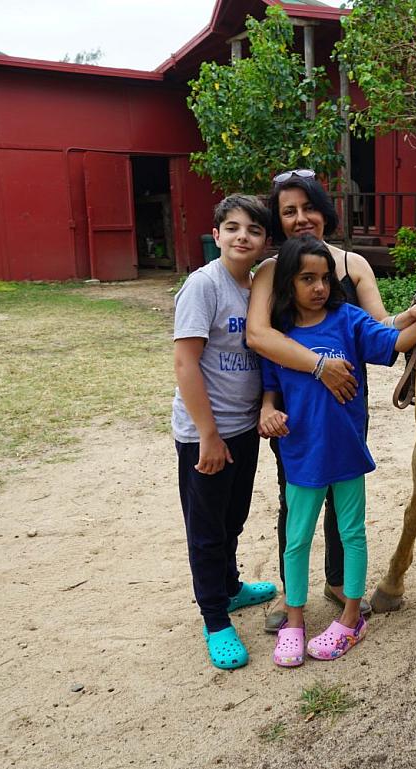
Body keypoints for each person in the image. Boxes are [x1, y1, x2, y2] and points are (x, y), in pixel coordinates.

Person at [257, 235, 416, 666]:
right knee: (296, 542)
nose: (318, 287)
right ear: (287, 285)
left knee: (352, 534)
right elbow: (270, 393)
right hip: (301, 455)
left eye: (324, 279)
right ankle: (294, 621)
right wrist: (268, 413)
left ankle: (351, 619)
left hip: (347, 453)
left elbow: (395, 342)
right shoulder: (278, 336)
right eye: (306, 279)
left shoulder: (348, 320)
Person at [246, 169, 416, 634]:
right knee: (297, 497)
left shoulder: (353, 265)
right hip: (298, 402)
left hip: (347, 398)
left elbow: (380, 326)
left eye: (308, 206)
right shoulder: (272, 271)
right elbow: (260, 335)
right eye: (288, 211)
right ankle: (296, 599)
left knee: (345, 502)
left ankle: (337, 583)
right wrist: (316, 367)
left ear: (325, 209)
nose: (300, 218)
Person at [172, 194, 278, 670]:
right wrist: (207, 434)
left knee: (232, 518)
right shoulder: (204, 285)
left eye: (253, 230)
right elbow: (185, 362)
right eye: (232, 227)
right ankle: (215, 618)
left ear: (263, 241)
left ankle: (231, 588)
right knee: (207, 531)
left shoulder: (254, 287)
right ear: (215, 236)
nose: (242, 236)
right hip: (206, 433)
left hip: (242, 428)